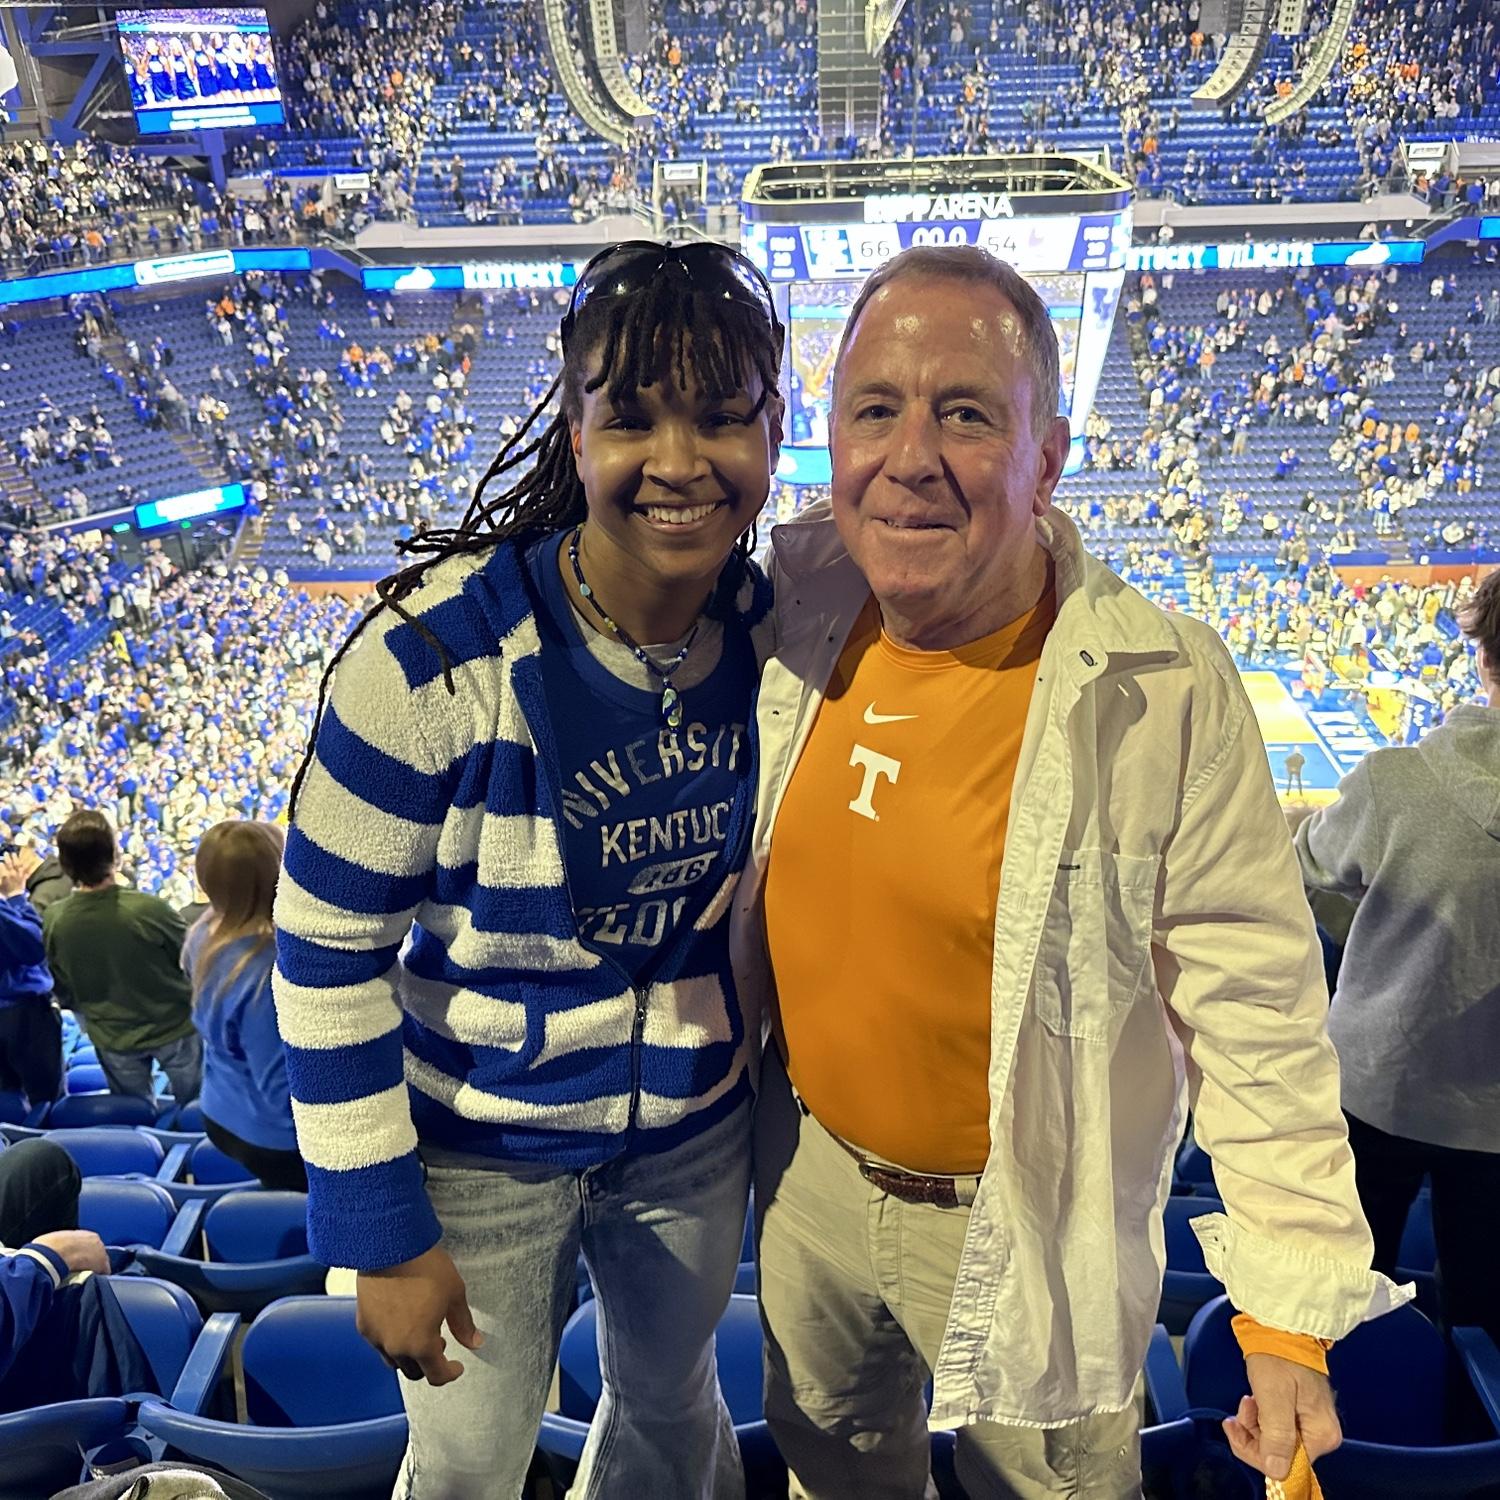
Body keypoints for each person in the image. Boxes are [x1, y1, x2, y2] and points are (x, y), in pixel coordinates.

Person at [735, 246, 1406, 1500]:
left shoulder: (1161, 689)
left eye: (968, 414)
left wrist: (1283, 1316)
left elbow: (1255, 1013)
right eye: (874, 408)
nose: (911, 454)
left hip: (1024, 1218)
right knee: (831, 1468)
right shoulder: (792, 605)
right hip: (808, 1179)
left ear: (1049, 457)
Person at [273, 240, 784, 1500]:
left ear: (776, 429)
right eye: (634, 420)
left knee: (671, 1415)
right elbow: (325, 947)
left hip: (689, 1140)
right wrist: (380, 1233)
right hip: (477, 1152)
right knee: (465, 1466)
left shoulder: (780, 638)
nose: (679, 463)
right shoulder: (425, 664)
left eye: (723, 418)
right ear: (573, 425)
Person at [1294, 567, 1500, 1343]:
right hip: (1492, 1123)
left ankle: (1341, 1447)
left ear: (1481, 655)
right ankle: (1465, 1456)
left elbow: (1296, 876)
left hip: (1374, 1090)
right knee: (1484, 1323)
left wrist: (1366, 924)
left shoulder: (1395, 783)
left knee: (1342, 1305)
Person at [41, 811, 201, 1106]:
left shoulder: (53, 919)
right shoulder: (151, 910)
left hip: (111, 1036)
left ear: (64, 864)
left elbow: (59, 983)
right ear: (116, 856)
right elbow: (195, 960)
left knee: (135, 1110)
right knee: (195, 1108)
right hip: (174, 1028)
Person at [185, 821, 305, 1192]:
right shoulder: (264, 974)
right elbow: (282, 1093)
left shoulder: (202, 932)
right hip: (270, 1138)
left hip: (220, 1107)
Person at [0, 848, 63, 1108]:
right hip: (21, 1015)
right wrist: (15, 896)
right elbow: (36, 947)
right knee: (46, 1101)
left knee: (7, 1100)